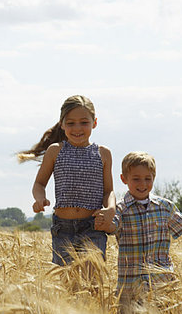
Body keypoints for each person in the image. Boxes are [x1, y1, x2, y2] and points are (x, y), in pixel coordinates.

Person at [95, 151, 182, 314]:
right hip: (130, 287)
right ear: (124, 179)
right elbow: (113, 226)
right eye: (136, 179)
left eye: (147, 179)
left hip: (162, 285)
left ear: (154, 178)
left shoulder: (164, 207)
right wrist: (104, 224)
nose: (142, 184)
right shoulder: (121, 209)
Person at [18, 95, 116, 266]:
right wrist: (39, 198)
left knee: (92, 283)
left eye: (84, 122)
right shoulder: (55, 151)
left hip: (93, 227)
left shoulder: (103, 153)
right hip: (63, 229)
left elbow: (108, 191)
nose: (77, 128)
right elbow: (39, 184)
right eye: (70, 123)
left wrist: (110, 208)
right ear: (62, 124)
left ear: (95, 123)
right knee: (67, 286)